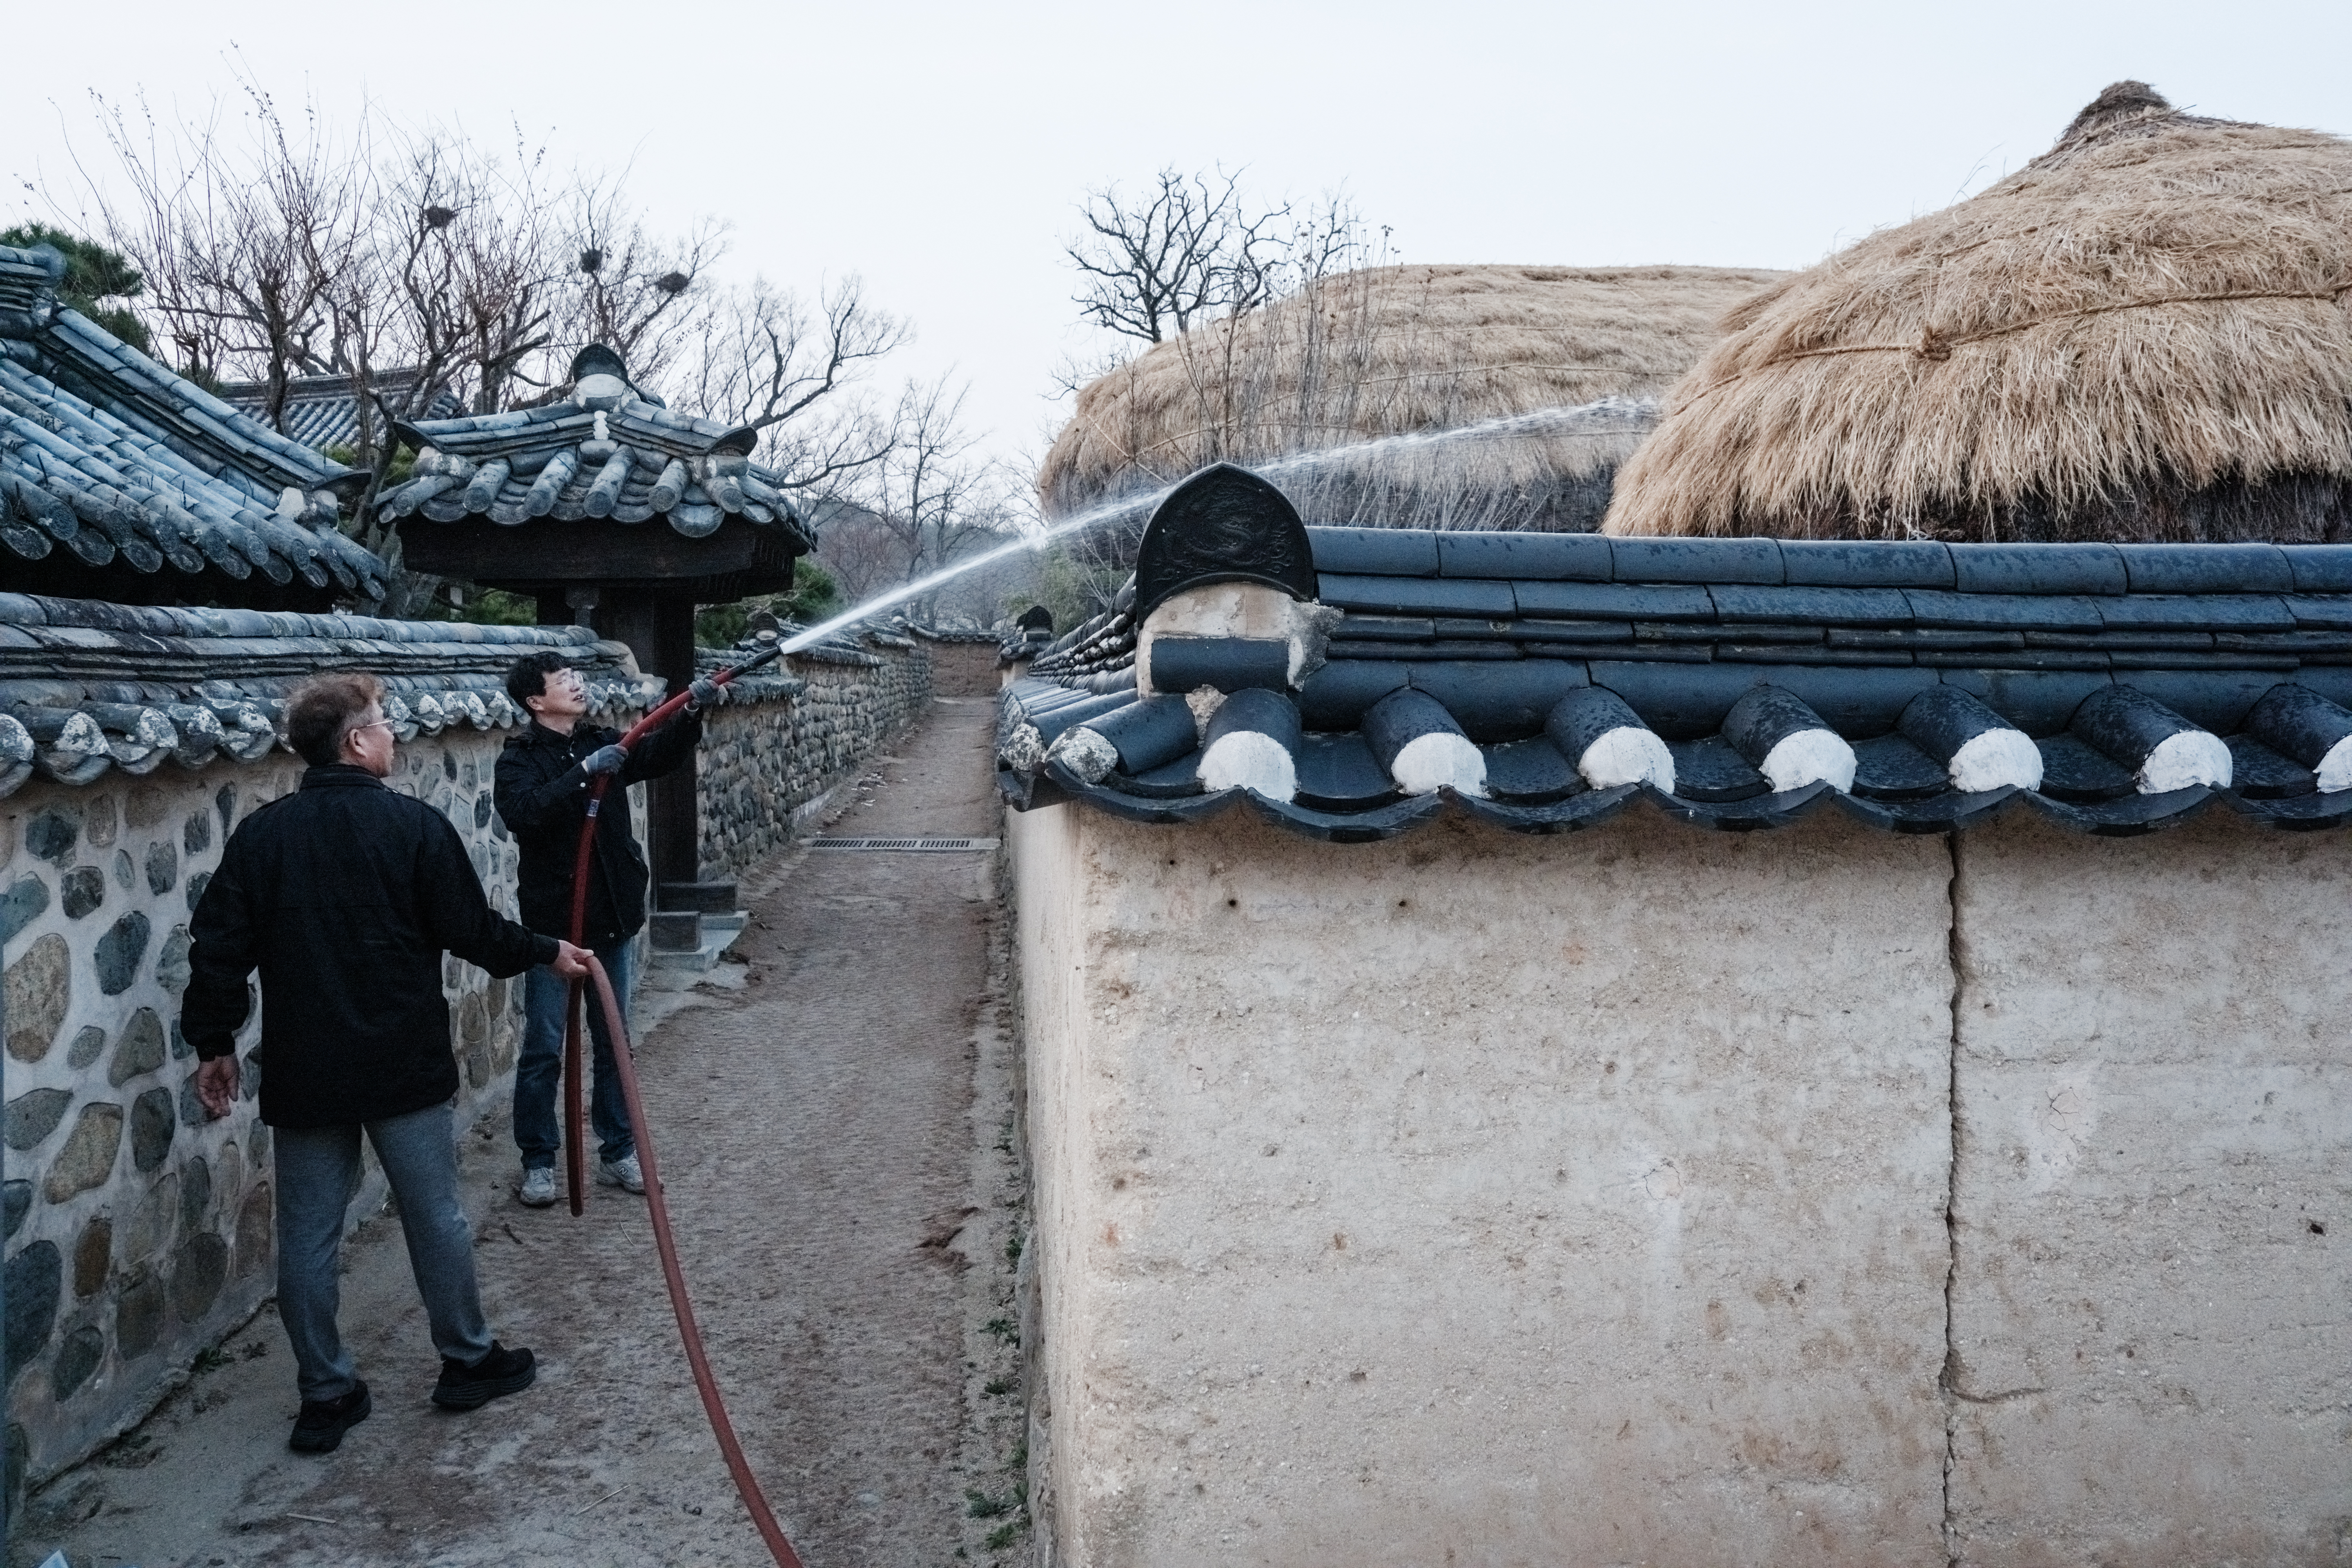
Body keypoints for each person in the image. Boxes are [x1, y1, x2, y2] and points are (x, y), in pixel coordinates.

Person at [183, 672, 590, 1455]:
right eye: (383, 724)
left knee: (306, 1232)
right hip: (403, 1061)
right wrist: (548, 950)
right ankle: (468, 1358)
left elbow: (219, 948)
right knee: (434, 1212)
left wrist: (214, 1043)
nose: (393, 734)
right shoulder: (412, 827)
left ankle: (326, 1392)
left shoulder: (264, 837)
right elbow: (473, 929)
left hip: (308, 1066)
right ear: (357, 741)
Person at [495, 652, 717, 1207]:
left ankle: (617, 1150)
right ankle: (540, 1161)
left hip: (611, 922)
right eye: (562, 679)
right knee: (546, 1046)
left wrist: (691, 716)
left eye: (576, 675)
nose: (576, 683)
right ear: (535, 701)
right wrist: (583, 774)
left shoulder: (606, 739)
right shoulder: (520, 757)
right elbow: (524, 813)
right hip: (555, 932)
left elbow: (656, 756)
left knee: (615, 1043)